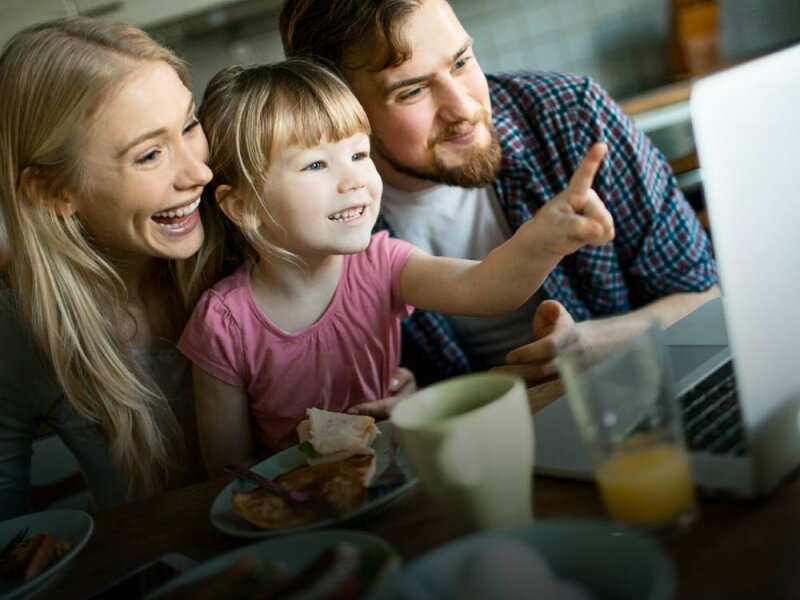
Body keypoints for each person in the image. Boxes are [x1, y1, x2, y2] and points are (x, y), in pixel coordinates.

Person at [178, 59, 613, 475]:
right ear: (243, 206)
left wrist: (543, 239)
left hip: (398, 478)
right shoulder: (223, 324)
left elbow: (484, 287)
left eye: (358, 154)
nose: (353, 180)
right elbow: (229, 472)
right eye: (315, 164)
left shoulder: (379, 262)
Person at [278, 0, 721, 401]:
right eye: (412, 91)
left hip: (636, 408)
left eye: (462, 62)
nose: (463, 107)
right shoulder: (314, 224)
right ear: (338, 108)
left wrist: (599, 343)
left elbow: (708, 297)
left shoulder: (571, 116)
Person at [0, 17, 231, 519]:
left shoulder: (240, 238)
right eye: (149, 155)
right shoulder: (20, 327)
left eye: (189, 126)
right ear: (53, 192)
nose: (200, 173)